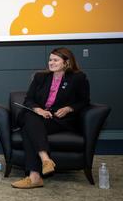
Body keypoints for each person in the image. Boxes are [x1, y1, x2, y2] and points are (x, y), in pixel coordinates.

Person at [11, 47, 90, 189]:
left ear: (66, 62)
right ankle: (45, 159)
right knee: (30, 116)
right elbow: (29, 99)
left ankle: (34, 177)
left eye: (55, 60)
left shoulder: (78, 78)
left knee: (28, 129)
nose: (51, 63)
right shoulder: (40, 77)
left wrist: (68, 108)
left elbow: (84, 101)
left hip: (58, 119)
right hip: (38, 115)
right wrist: (39, 110)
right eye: (50, 60)